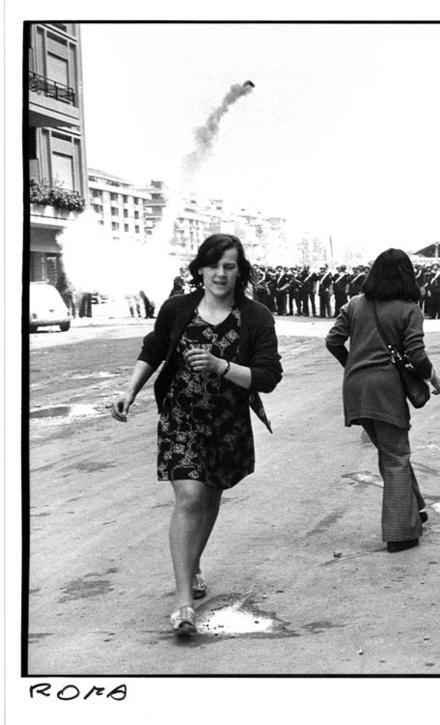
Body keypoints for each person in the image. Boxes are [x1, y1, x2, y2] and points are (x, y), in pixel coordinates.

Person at [110, 233, 282, 637]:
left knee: (209, 496)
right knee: (190, 497)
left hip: (227, 424)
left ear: (239, 271)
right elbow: (153, 349)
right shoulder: (178, 308)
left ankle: (193, 562)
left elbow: (269, 376)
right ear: (200, 269)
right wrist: (129, 391)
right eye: (213, 265)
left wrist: (222, 366)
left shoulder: (256, 316)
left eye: (229, 266)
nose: (221, 273)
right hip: (180, 418)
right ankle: (184, 603)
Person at [325, 249, 440, 553]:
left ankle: (414, 508)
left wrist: (352, 364)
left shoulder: (354, 304)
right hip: (385, 391)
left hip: (355, 389)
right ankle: (400, 534)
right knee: (396, 456)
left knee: (390, 451)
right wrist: (433, 377)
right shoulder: (409, 309)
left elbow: (333, 340)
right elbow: (416, 353)